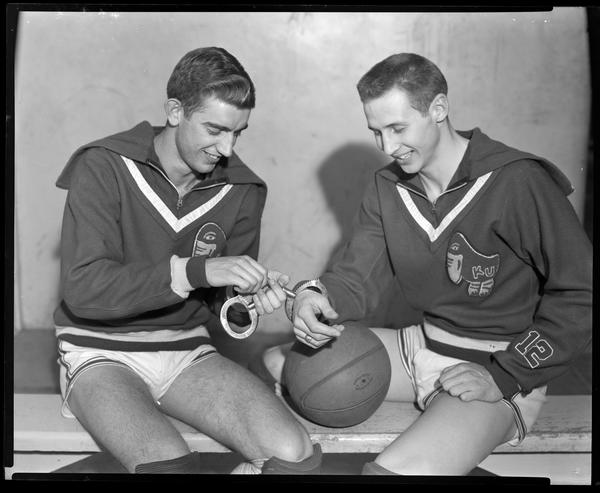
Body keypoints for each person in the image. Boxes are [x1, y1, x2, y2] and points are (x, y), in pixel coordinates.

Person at [259, 53, 592, 476]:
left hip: (497, 362)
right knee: (279, 364)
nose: (387, 147)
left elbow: (582, 293)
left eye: (398, 128)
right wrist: (312, 296)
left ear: (438, 108)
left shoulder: (518, 180)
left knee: (389, 473)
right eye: (376, 131)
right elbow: (357, 277)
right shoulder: (387, 186)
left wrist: (506, 376)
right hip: (421, 345)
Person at [53, 47, 322, 475]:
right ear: (175, 111)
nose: (227, 148)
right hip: (99, 350)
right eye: (215, 130)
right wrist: (194, 271)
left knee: (293, 456)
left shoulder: (243, 189)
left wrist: (247, 301)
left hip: (186, 350)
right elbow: (84, 289)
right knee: (169, 468)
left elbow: (219, 301)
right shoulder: (104, 165)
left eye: (238, 133)